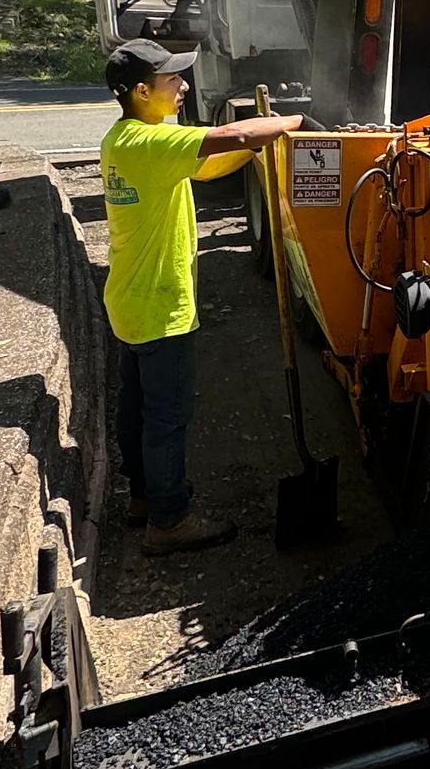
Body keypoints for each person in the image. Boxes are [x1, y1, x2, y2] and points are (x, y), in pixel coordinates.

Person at [100, 36, 300, 554]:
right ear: (142, 91)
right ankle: (168, 523)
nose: (183, 84)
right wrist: (292, 123)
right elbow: (230, 133)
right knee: (166, 418)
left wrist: (256, 145)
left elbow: (211, 161)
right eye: (172, 79)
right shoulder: (149, 144)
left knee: (138, 407)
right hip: (161, 307)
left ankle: (144, 499)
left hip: (131, 301)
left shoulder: (127, 141)